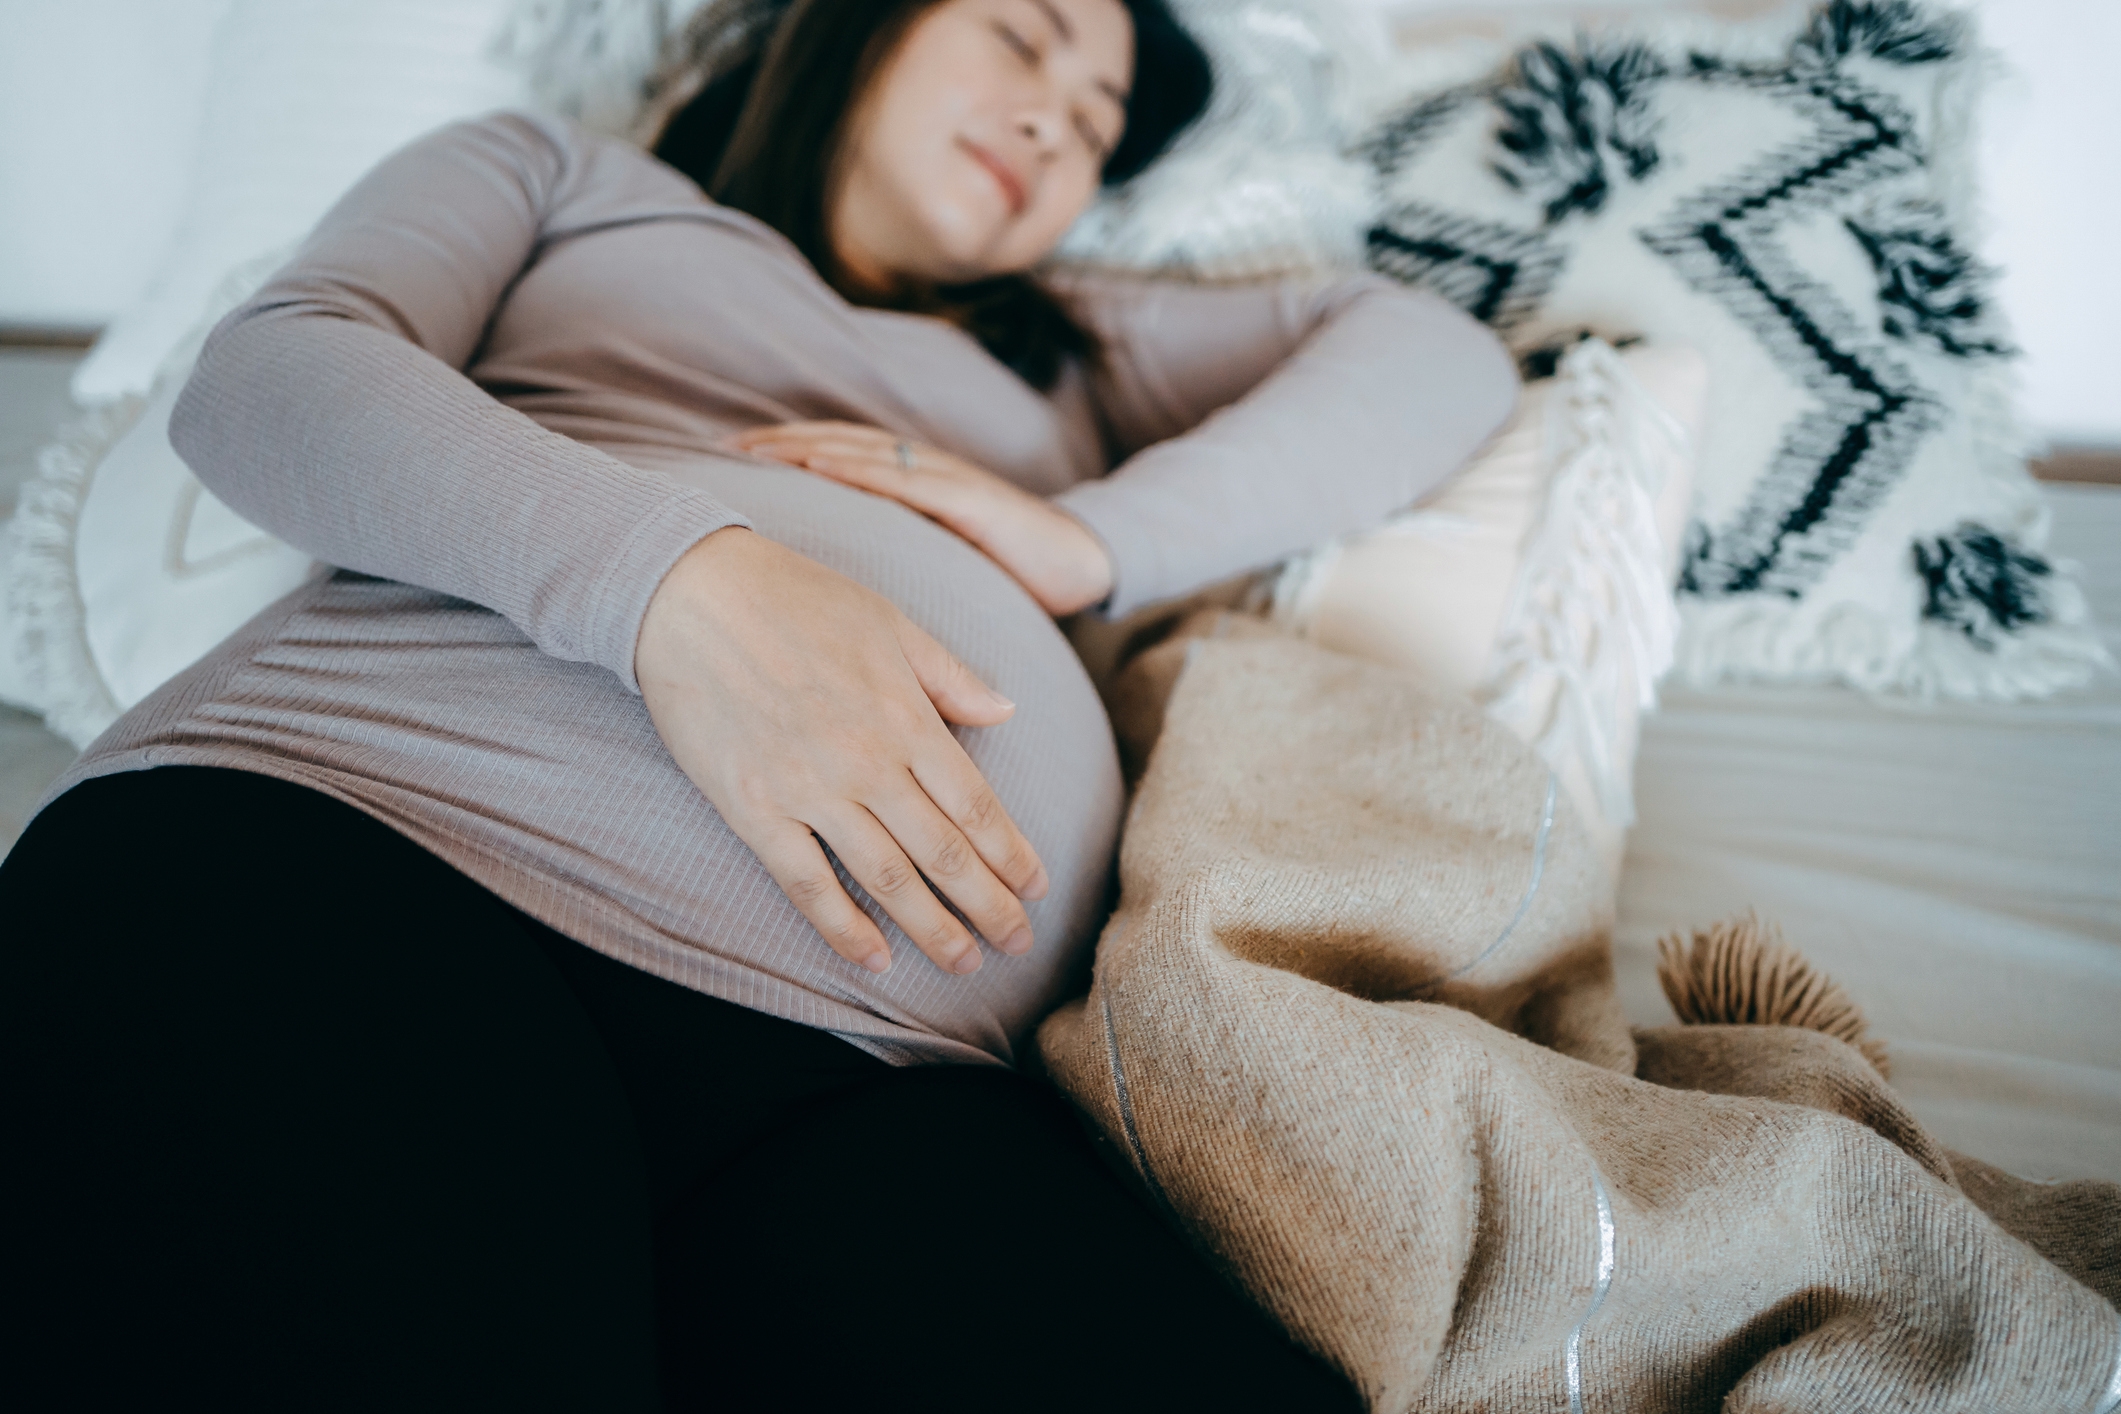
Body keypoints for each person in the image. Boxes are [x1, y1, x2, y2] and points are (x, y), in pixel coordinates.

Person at [0, 0, 1517, 1407]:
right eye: (1023, 35)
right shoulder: (568, 179)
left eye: (1101, 117)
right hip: (361, 853)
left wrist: (1097, 536)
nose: (1058, 118)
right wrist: (681, 593)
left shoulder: (1071, 352)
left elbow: (1435, 358)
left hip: (873, 1076)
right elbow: (271, 379)